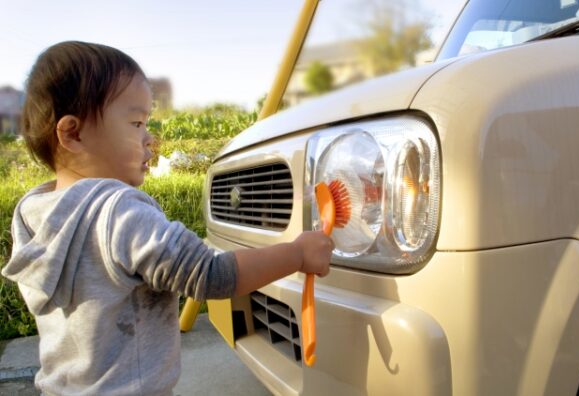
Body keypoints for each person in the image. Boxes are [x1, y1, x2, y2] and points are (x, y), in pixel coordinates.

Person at [1, 41, 333, 395]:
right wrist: (297, 253)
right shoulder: (117, 210)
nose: (150, 138)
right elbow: (210, 275)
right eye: (137, 123)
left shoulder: (32, 212)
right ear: (74, 134)